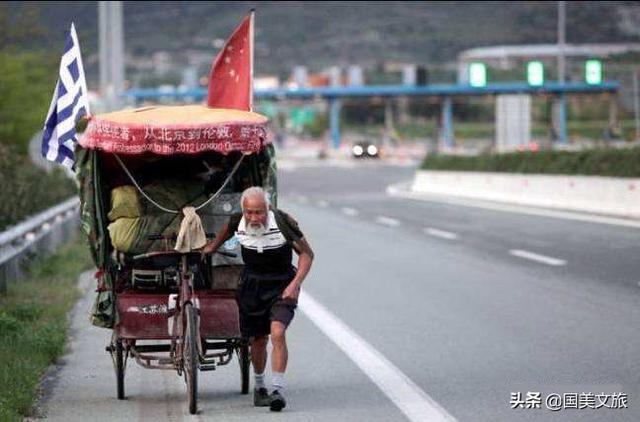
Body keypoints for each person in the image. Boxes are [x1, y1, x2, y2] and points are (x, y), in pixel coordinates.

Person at [201, 186, 314, 411]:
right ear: (243, 210)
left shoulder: (282, 223)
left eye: (259, 212)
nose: (254, 217)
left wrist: (294, 285)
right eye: (249, 212)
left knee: (278, 332)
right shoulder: (236, 222)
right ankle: (260, 388)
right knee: (258, 340)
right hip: (252, 286)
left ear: (268, 208)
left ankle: (277, 391)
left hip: (282, 284)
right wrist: (209, 248)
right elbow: (220, 239)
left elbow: (307, 254)